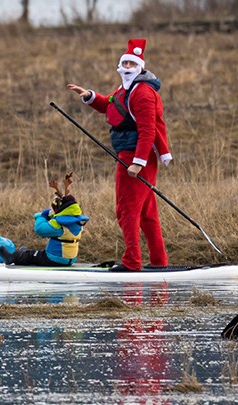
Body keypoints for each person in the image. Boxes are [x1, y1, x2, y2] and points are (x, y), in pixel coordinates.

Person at [66, 38, 171, 272]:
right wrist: (90, 96)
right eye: (124, 62)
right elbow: (111, 105)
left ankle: (132, 263)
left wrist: (137, 163)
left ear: (140, 66)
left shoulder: (142, 93)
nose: (126, 67)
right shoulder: (126, 89)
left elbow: (147, 130)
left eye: (131, 64)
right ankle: (159, 263)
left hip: (135, 158)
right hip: (130, 156)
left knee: (126, 210)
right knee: (146, 213)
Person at [0, 173, 89, 266]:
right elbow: (66, 205)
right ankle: (23, 252)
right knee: (36, 253)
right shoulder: (77, 223)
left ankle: (12, 257)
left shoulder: (58, 225)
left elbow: (40, 229)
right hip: (70, 259)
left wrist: (41, 216)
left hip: (54, 258)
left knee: (31, 255)